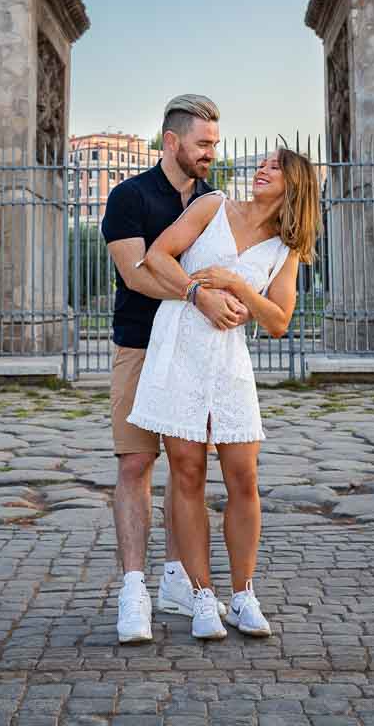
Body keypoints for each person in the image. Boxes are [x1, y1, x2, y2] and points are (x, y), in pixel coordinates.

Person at [127, 148, 321, 640]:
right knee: (186, 473)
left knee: (244, 478)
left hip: (229, 360)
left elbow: (278, 321)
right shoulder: (212, 207)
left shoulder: (285, 248)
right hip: (179, 348)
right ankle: (201, 597)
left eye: (277, 168)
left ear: (295, 187)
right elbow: (155, 256)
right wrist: (199, 295)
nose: (263, 169)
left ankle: (243, 595)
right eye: (265, 164)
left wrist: (236, 284)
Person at [102, 95, 250, 644]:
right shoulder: (128, 196)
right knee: (136, 465)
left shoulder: (215, 202)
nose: (213, 151)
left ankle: (175, 579)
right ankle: (133, 589)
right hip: (140, 347)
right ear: (171, 142)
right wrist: (196, 294)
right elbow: (138, 274)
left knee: (188, 470)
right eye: (204, 143)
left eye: (216, 141)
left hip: (196, 353)